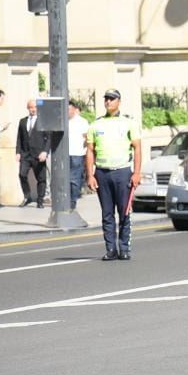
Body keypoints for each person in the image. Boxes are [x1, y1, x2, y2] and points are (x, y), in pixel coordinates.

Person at [86, 89, 141, 261]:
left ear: (119, 101)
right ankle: (110, 249)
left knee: (124, 211)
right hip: (102, 172)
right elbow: (90, 151)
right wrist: (90, 175)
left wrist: (136, 173)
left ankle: (124, 248)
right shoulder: (96, 125)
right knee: (107, 213)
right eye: (106, 99)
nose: (108, 102)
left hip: (122, 172)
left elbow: (137, 148)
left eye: (112, 99)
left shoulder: (128, 123)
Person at [16, 99, 49, 208]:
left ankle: (40, 200)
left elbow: (49, 138)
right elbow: (19, 138)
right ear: (28, 108)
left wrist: (45, 151)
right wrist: (18, 152)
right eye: (31, 107)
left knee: (41, 178)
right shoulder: (22, 121)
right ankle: (27, 197)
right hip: (25, 154)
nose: (33, 109)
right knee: (22, 175)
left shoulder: (43, 120)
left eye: (35, 107)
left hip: (39, 154)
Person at [67, 102, 89, 210]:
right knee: (66, 178)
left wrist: (86, 151)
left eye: (69, 109)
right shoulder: (63, 121)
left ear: (74, 110)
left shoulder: (82, 122)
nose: (67, 112)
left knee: (75, 179)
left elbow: (87, 137)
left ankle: (73, 201)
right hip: (65, 154)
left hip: (77, 153)